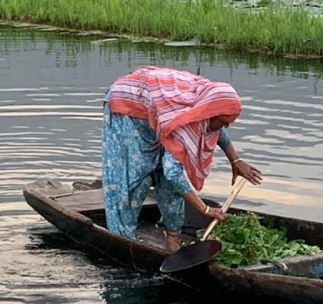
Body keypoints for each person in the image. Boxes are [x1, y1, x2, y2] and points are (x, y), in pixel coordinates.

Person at [101, 66, 262, 252]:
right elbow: (174, 172)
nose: (225, 126)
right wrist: (204, 209)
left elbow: (216, 128)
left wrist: (236, 160)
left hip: (157, 108)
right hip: (128, 107)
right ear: (211, 112)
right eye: (224, 121)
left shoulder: (204, 107)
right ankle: (122, 238)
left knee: (168, 179)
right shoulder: (184, 120)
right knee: (137, 175)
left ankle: (172, 238)